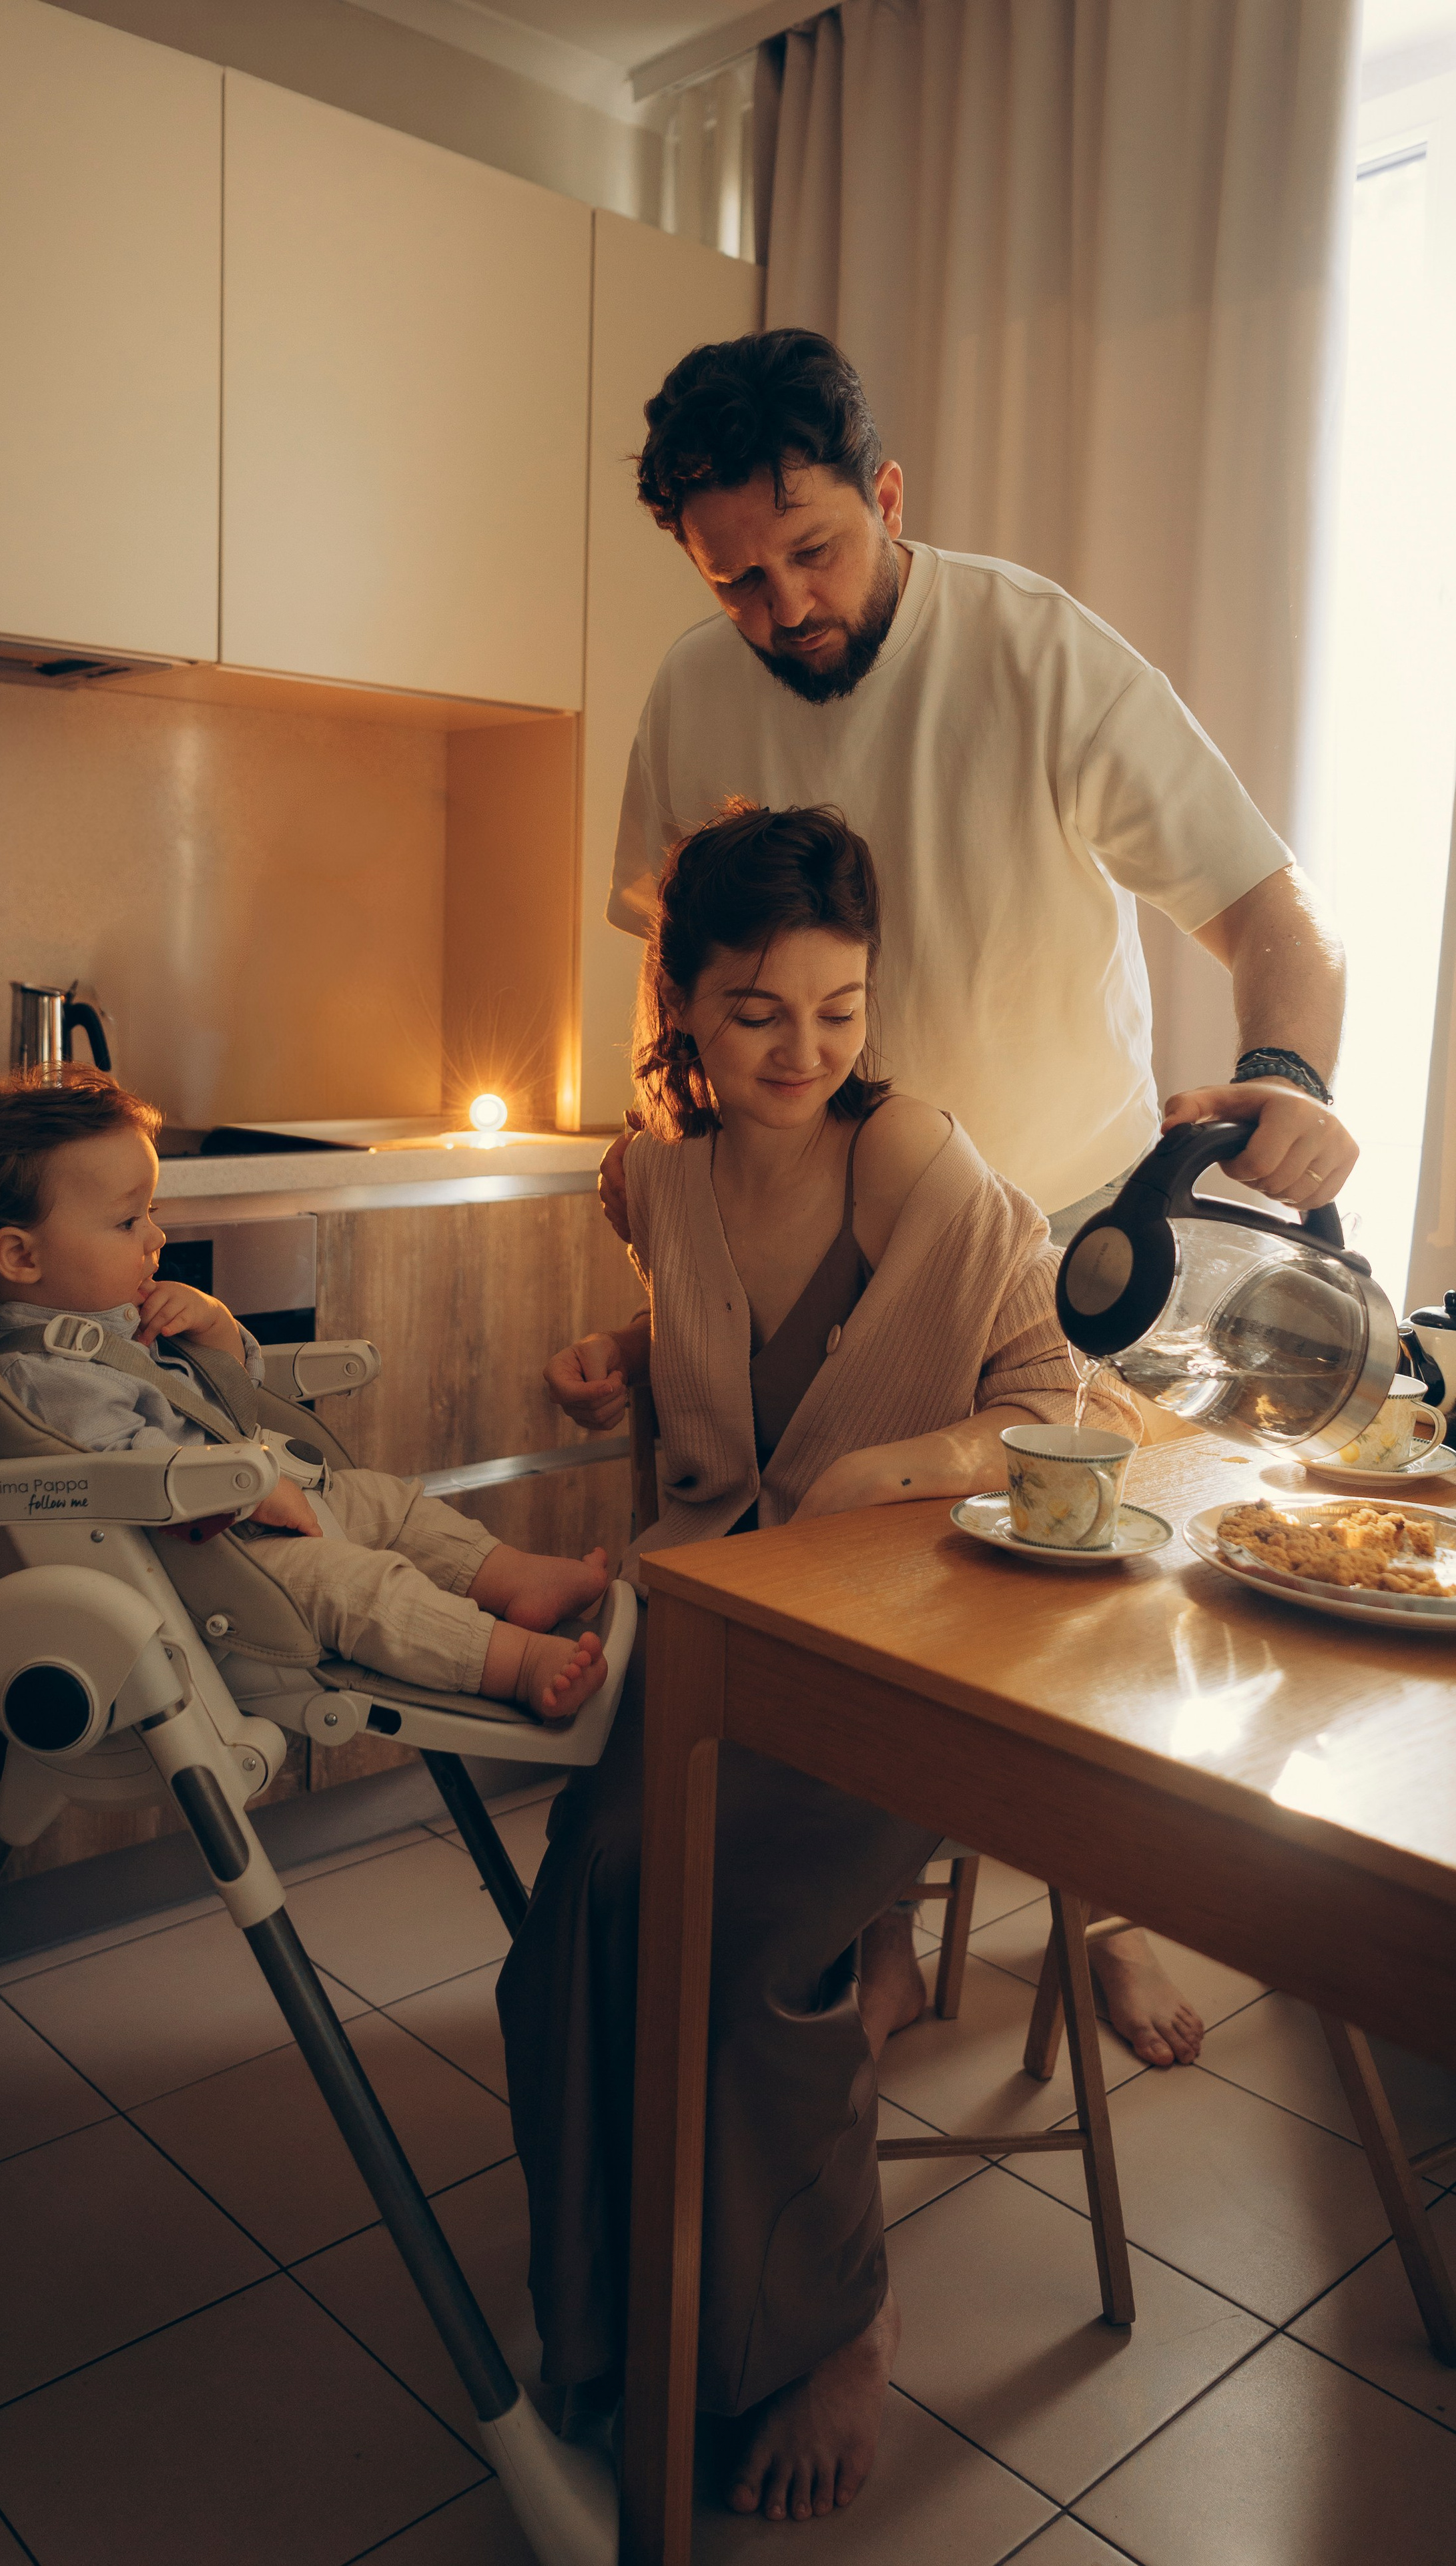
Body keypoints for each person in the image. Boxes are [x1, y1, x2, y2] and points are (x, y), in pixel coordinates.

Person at [585, 325, 1363, 2069]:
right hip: (806, 1262)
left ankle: (1109, 1910)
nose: (784, 604)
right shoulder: (689, 695)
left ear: (888, 494)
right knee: (820, 1631)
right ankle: (840, 1937)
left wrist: (1293, 1082)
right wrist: (664, 1192)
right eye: (736, 579)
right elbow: (666, 971)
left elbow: (1272, 915)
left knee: (1074, 1639)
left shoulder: (1034, 647)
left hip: (1056, 1253)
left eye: (815, 552)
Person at [499, 804, 1136, 2525]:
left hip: (904, 1649)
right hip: (714, 1635)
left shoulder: (914, 1162)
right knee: (591, 1898)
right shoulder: (651, 1174)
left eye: (838, 1009)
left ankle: (836, 2322)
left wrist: (884, 1473)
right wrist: (619, 1349)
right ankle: (620, 2321)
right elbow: (727, 1339)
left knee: (733, 1931)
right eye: (757, 1010)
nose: (802, 1050)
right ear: (683, 1008)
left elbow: (1069, 1403)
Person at [0, 1070, 610, 1722]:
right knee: (361, 1587)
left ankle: (518, 1578)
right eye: (128, 1223)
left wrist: (215, 1328)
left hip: (251, 1511)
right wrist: (244, 1489)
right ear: (21, 1257)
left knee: (386, 1504)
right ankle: (514, 1662)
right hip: (203, 1564)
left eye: (149, 1212)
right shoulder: (40, 1375)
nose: (155, 1237)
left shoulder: (107, 1320)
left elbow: (222, 1396)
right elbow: (120, 1469)